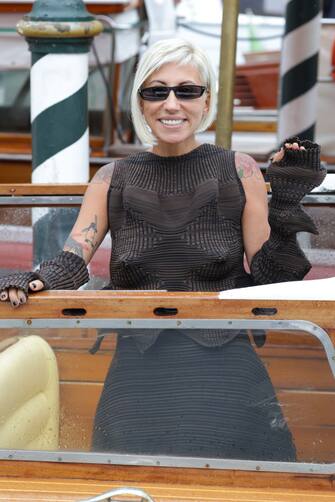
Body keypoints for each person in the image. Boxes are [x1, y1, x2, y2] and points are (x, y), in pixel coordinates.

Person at [0, 39, 326, 460]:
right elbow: (73, 256)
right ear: (141, 102)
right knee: (124, 480)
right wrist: (35, 279)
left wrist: (285, 199)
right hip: (138, 373)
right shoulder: (112, 177)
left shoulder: (239, 168)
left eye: (186, 90)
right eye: (157, 91)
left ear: (206, 100)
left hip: (226, 372)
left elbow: (271, 277)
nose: (172, 103)